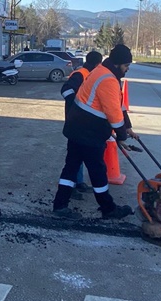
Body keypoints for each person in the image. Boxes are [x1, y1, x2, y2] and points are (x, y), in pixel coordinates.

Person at [52, 44, 138, 220]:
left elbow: (118, 105)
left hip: (78, 127)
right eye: (126, 66)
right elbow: (113, 114)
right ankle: (108, 208)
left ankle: (60, 205)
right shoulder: (108, 79)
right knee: (97, 169)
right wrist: (121, 136)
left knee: (71, 166)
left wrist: (127, 127)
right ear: (118, 64)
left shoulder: (103, 71)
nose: (127, 69)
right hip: (88, 132)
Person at [60, 50, 102, 200]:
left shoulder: (89, 74)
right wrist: (76, 107)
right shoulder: (81, 74)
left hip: (81, 122)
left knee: (78, 155)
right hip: (76, 121)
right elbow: (65, 90)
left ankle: (78, 183)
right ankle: (71, 187)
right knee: (75, 157)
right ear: (97, 64)